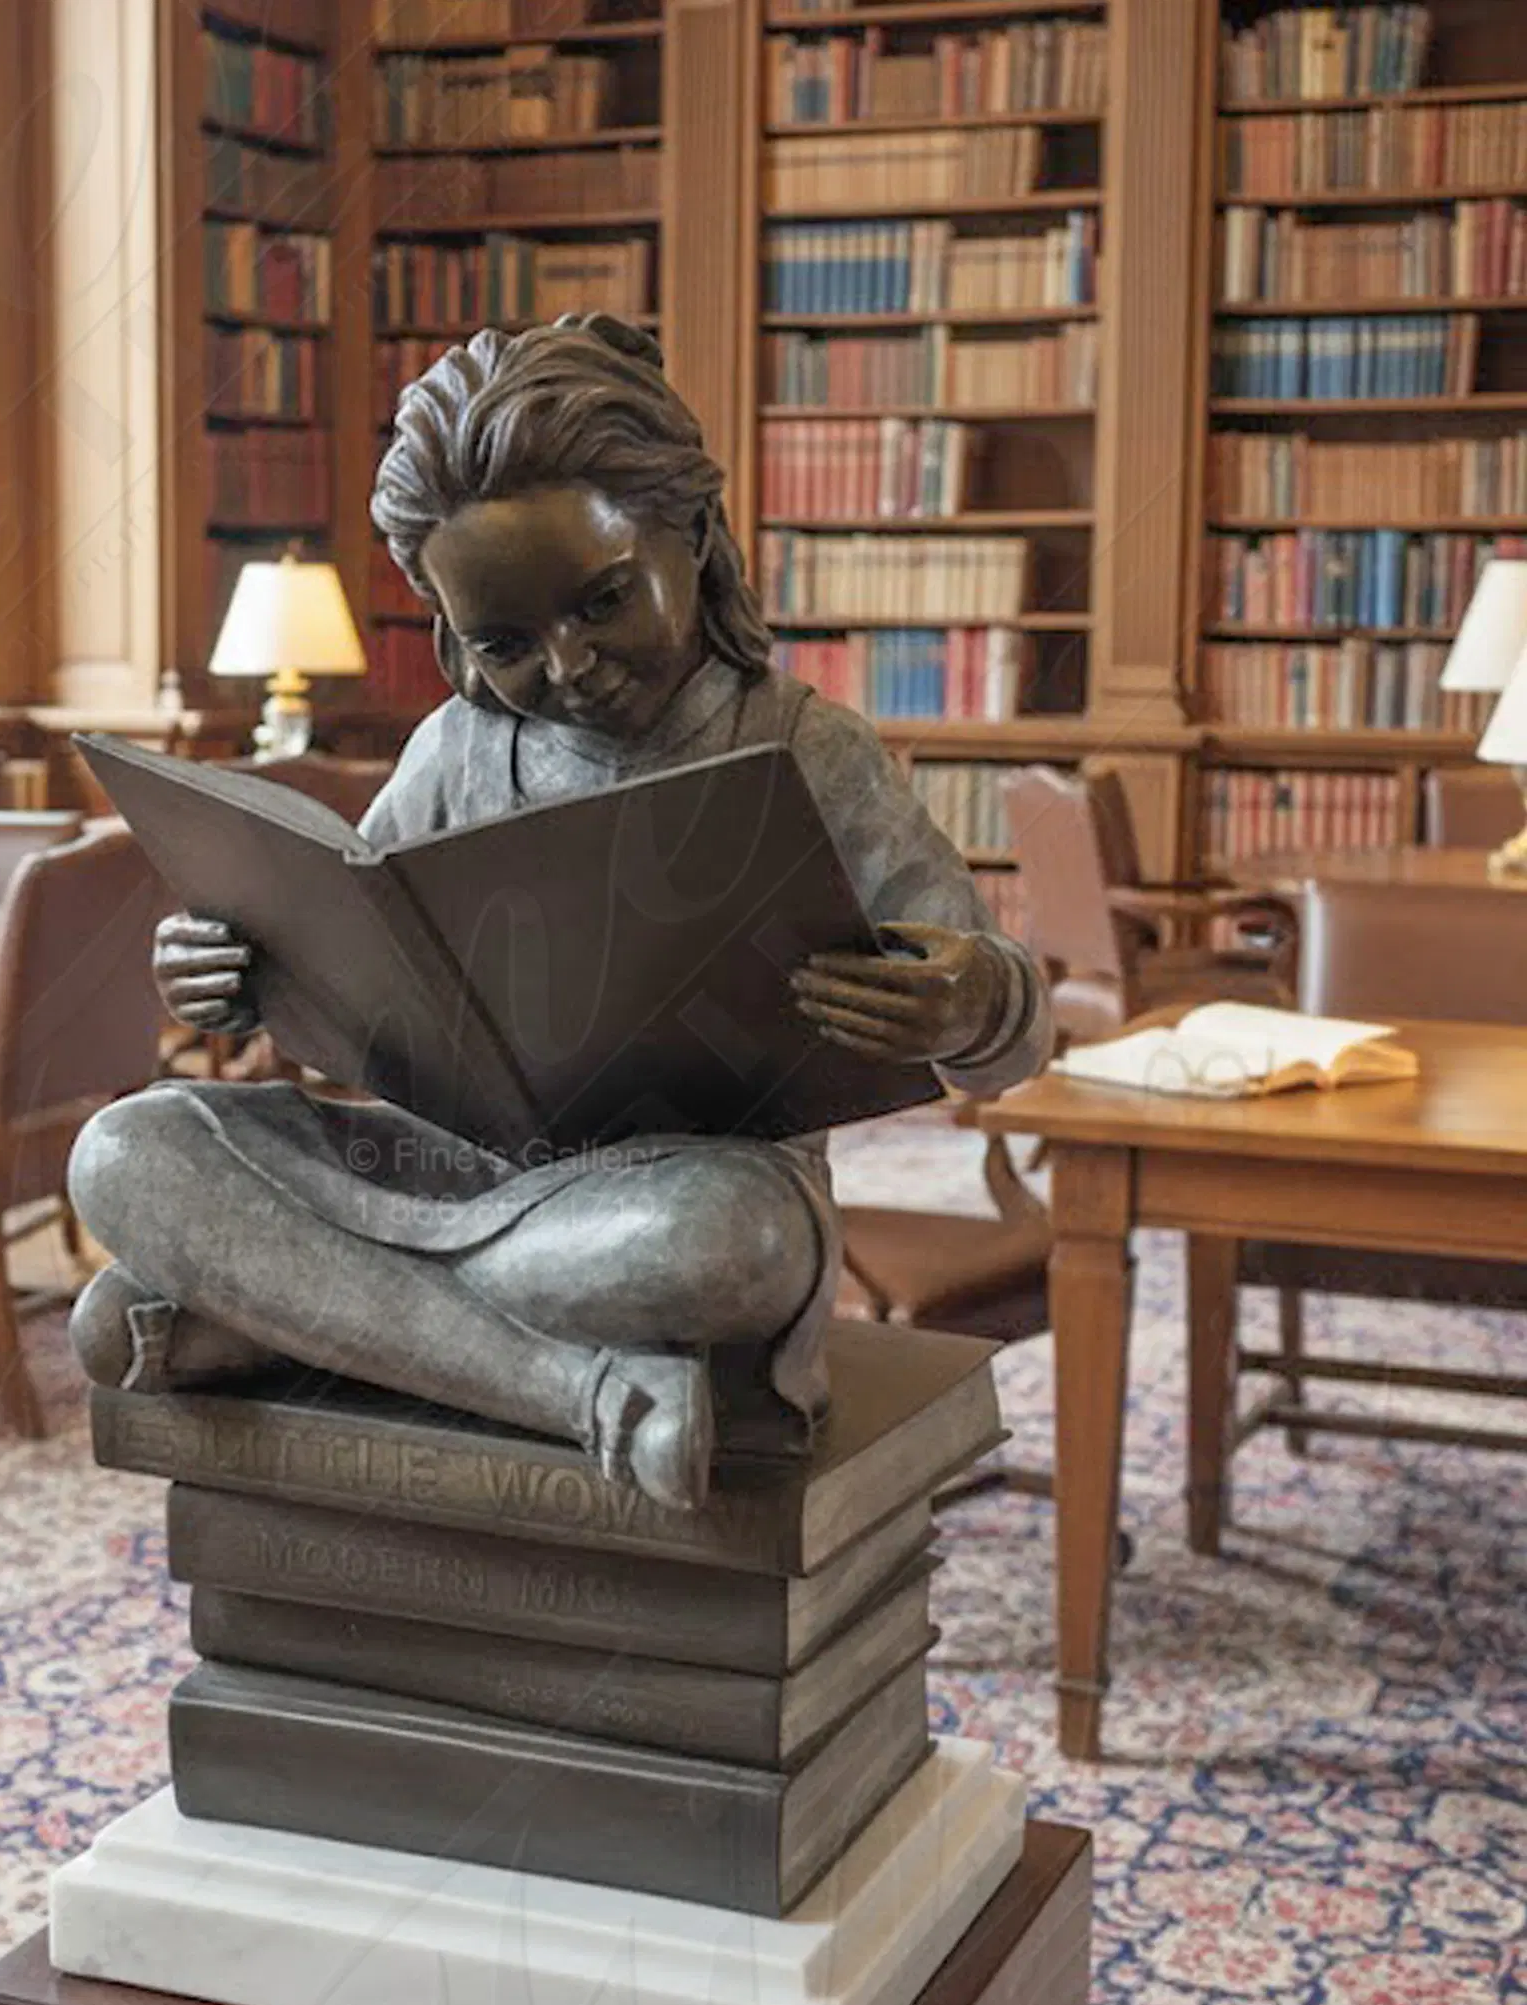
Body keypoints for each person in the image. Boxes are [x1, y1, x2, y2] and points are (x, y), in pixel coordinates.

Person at [69, 315, 1050, 1511]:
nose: (568, 664)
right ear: (450, 630)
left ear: (693, 537)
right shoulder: (454, 749)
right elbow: (362, 962)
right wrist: (238, 969)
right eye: (505, 641)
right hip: (452, 1175)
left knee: (732, 1247)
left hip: (676, 1196)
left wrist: (973, 997)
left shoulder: (803, 747)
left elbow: (1011, 1039)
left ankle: (289, 1309)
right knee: (126, 1151)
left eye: (601, 602)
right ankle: (568, 1385)